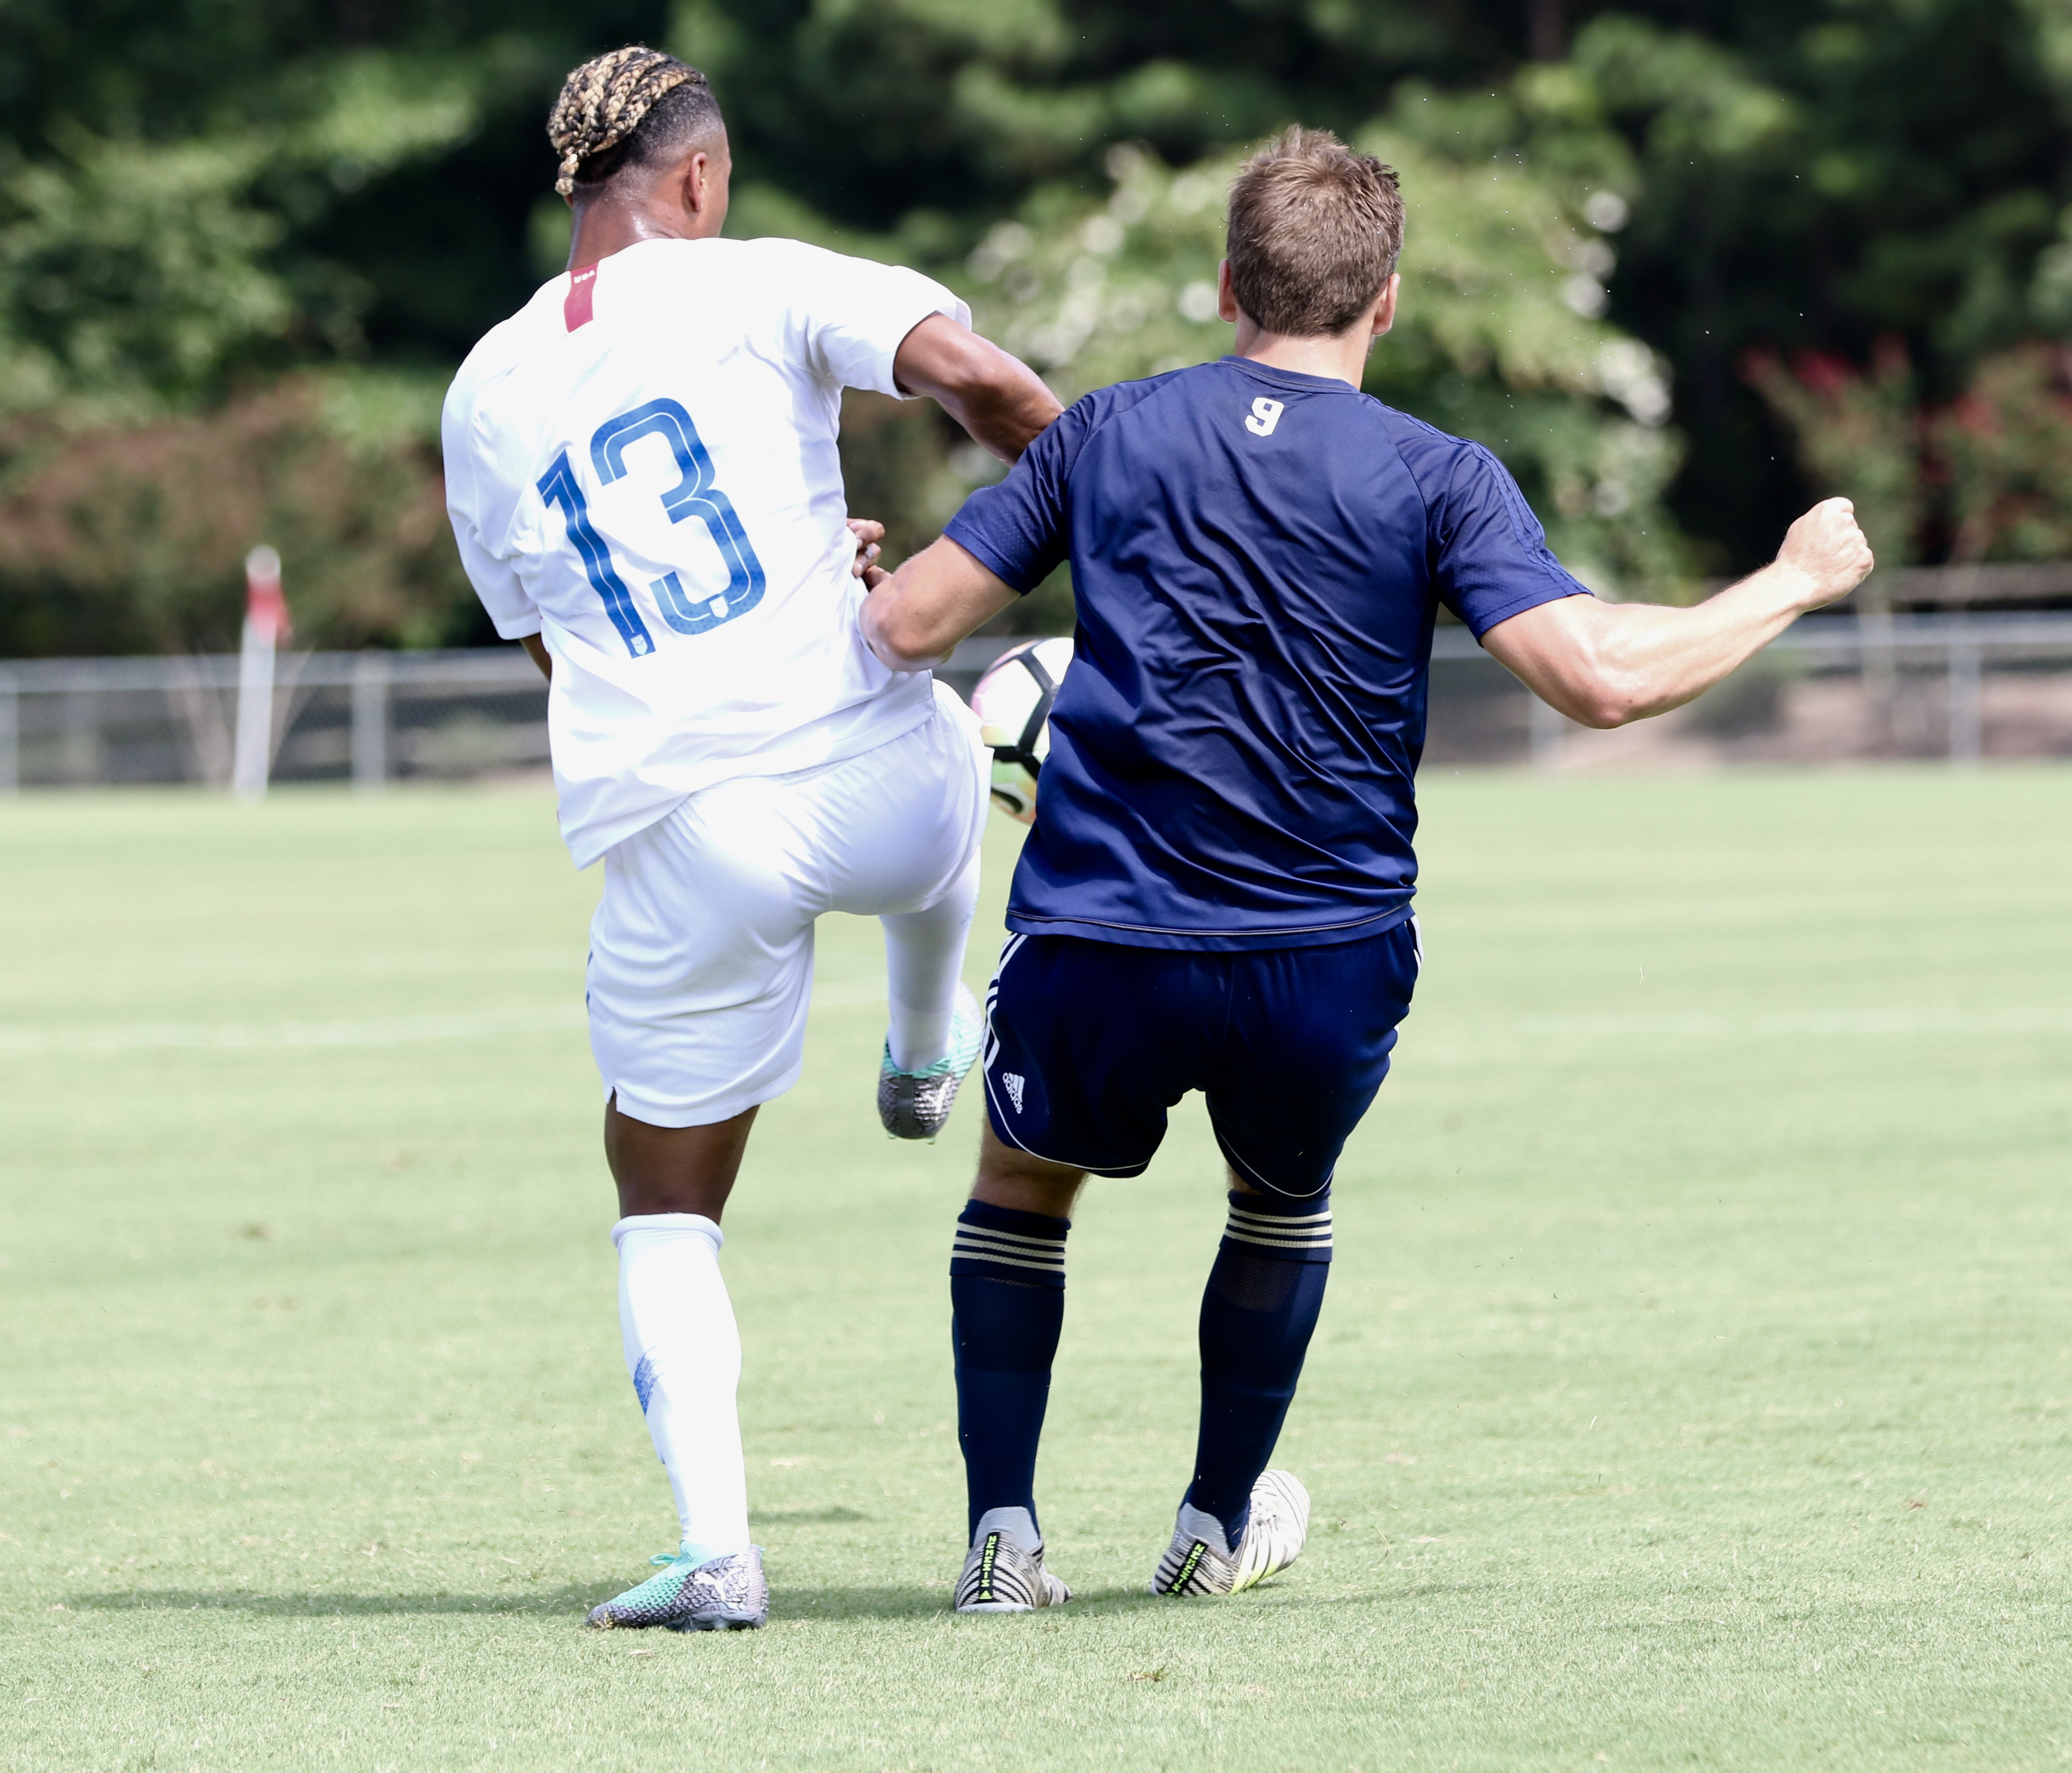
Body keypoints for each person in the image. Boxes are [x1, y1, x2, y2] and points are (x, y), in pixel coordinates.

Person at [859, 126, 1874, 1612]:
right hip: (1319, 955)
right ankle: (1213, 1525)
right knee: (1278, 1201)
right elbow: (1595, 678)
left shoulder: (1105, 433)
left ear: (1225, 285)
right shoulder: (1437, 473)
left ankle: (1004, 1540)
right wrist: (1791, 578)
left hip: (1104, 931)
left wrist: (859, 577)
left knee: (1020, 1187)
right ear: (1384, 301)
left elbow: (909, 629)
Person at [440, 45, 1059, 1632]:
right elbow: (989, 389)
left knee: (661, 1199)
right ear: (700, 180)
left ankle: (718, 1549)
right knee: (951, 755)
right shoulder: (762, 275)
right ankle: (929, 1046)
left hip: (686, 832)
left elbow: (552, 647)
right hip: (877, 778)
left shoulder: (484, 389)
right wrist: (1111, 529)